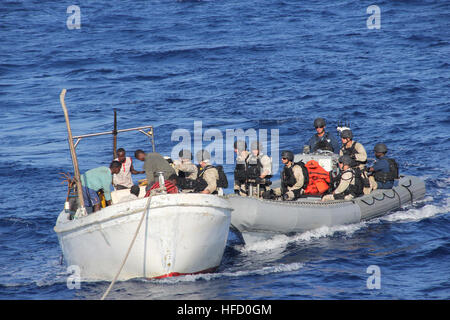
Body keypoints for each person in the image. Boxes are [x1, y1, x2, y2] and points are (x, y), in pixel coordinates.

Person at [339, 129, 371, 194]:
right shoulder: (342, 149)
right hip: (348, 171)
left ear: (348, 139)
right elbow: (340, 160)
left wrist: (354, 156)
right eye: (342, 138)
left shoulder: (357, 146)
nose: (342, 139)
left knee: (365, 191)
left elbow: (364, 157)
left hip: (359, 170)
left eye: (343, 138)